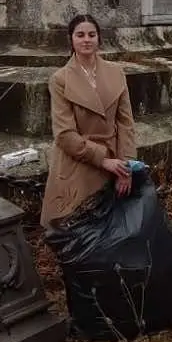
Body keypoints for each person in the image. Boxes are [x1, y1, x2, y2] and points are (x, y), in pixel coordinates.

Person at [41, 14, 137, 227]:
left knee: (117, 229)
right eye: (80, 35)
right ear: (71, 39)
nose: (86, 40)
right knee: (79, 229)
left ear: (99, 39)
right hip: (79, 163)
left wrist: (126, 167)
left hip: (115, 161)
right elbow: (64, 134)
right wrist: (103, 160)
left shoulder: (116, 73)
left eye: (92, 34)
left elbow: (126, 124)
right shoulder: (60, 80)